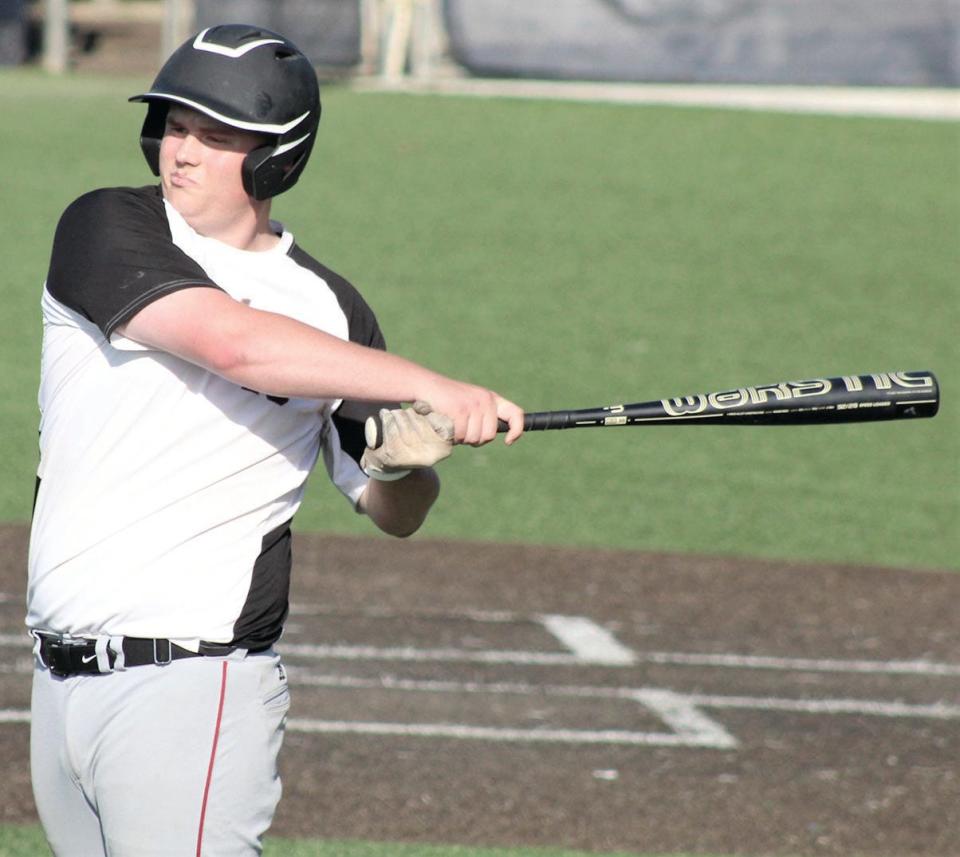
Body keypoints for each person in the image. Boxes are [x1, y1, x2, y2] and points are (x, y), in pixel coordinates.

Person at [26, 23, 523, 856]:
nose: (180, 150)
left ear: (275, 158)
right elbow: (235, 342)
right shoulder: (107, 227)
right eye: (173, 126)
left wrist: (407, 463)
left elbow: (393, 508)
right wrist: (428, 384)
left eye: (214, 136)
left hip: (192, 689)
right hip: (55, 679)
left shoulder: (333, 314)